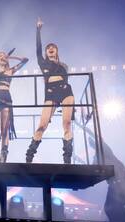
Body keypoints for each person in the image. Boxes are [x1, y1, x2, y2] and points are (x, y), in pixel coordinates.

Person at [26, 18, 75, 164]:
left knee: (66, 123)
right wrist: (38, 30)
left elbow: (66, 80)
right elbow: (38, 48)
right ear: (47, 52)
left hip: (65, 92)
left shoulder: (63, 65)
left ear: (57, 51)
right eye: (48, 48)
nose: (50, 48)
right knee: (42, 125)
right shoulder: (43, 62)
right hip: (50, 93)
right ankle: (30, 155)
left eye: (53, 47)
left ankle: (67, 158)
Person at [78, 122, 125, 222]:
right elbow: (93, 169)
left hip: (122, 181)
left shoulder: (105, 150)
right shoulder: (97, 157)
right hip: (117, 182)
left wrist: (86, 129)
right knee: (111, 209)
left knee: (112, 208)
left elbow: (99, 139)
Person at [0, 50, 28, 162]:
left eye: (4, 56)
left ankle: (3, 157)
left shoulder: (10, 71)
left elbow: (25, 60)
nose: (3, 57)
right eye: (0, 55)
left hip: (6, 100)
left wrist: (11, 56)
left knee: (5, 129)